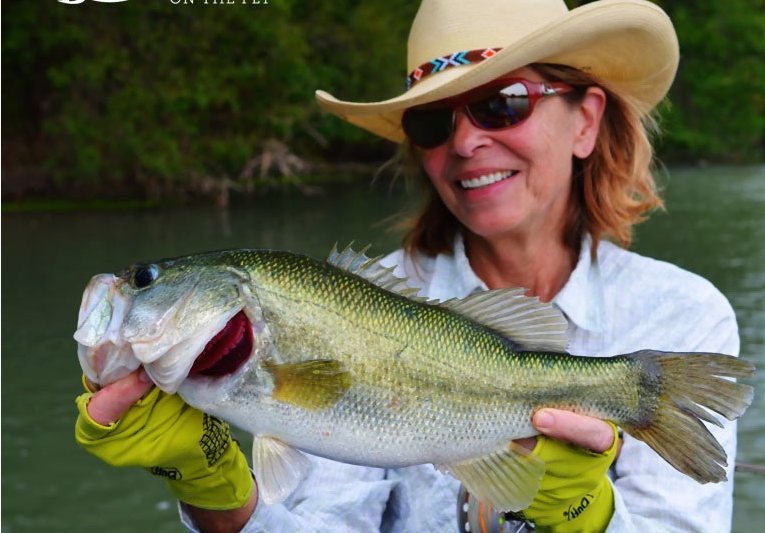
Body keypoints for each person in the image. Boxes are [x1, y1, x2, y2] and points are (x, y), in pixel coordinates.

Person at [75, 0, 742, 532]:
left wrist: (588, 518)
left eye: (500, 102)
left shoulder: (682, 314)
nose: (465, 142)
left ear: (584, 122)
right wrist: (218, 495)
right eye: (430, 121)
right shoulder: (341, 309)